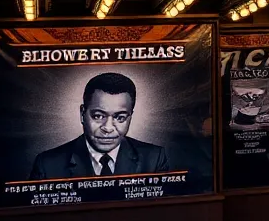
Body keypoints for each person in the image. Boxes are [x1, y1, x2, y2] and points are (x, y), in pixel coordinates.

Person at [29, 72, 169, 179]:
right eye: (98, 116)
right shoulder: (47, 165)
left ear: (130, 117)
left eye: (120, 117)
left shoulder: (154, 159)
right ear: (82, 114)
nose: (108, 128)